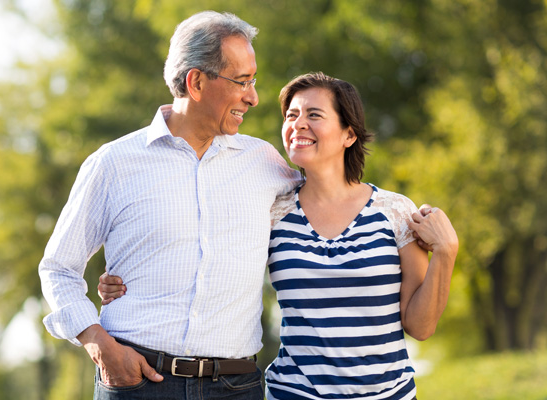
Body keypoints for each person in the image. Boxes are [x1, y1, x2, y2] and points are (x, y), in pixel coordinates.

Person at [99, 72, 459, 400]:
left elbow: (421, 326)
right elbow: (202, 251)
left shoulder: (394, 212)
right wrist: (126, 282)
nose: (298, 124)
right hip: (292, 394)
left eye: (314, 115)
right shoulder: (273, 209)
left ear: (349, 134)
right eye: (291, 116)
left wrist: (446, 251)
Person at [38, 11, 301, 400]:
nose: (253, 97)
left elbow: (330, 198)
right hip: (136, 382)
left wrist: (402, 214)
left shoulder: (264, 162)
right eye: (241, 82)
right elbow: (59, 269)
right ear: (196, 82)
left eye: (253, 81)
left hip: (235, 386)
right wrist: (98, 343)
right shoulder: (113, 164)